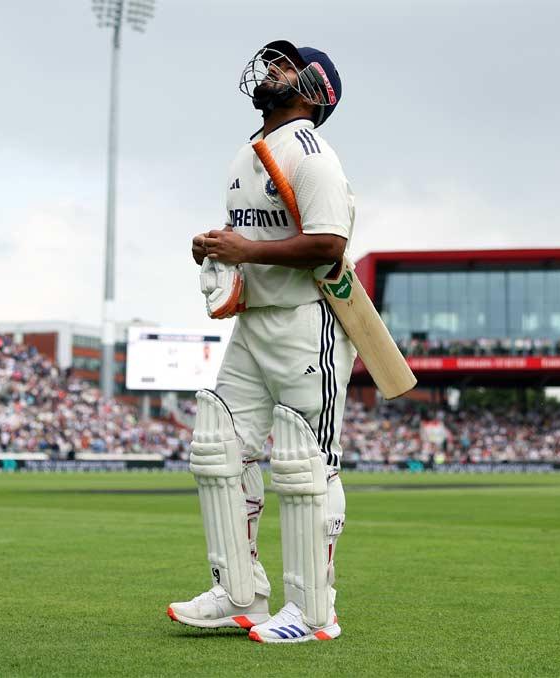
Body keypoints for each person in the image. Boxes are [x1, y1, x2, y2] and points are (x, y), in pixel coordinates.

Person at [166, 39, 355, 644]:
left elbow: (329, 245)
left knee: (304, 465)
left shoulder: (313, 155)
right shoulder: (249, 157)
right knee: (218, 448)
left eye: (286, 66)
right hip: (253, 323)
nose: (271, 70)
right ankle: (239, 592)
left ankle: (314, 614)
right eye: (273, 62)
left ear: (311, 88)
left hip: (306, 323)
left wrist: (246, 250)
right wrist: (218, 246)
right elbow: (255, 237)